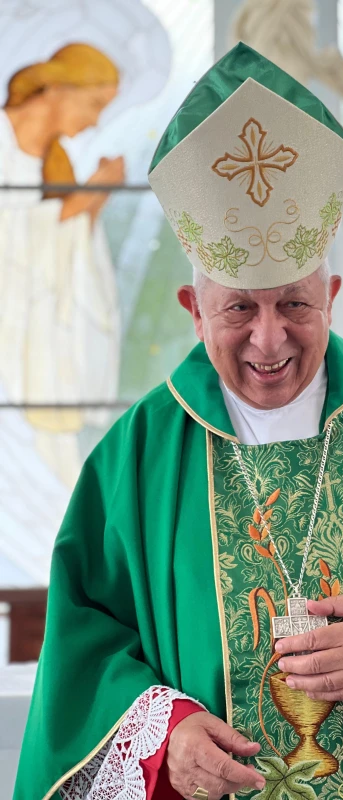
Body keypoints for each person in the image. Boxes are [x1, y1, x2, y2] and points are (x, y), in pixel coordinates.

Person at [14, 43, 343, 800]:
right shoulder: (140, 453)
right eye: (239, 308)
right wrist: (166, 739)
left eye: (295, 303)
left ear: (332, 295)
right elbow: (84, 645)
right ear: (195, 311)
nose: (270, 339)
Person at [0, 44, 122, 582]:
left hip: (37, 350)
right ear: (60, 88)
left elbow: (58, 258)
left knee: (55, 472)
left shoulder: (53, 161)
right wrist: (89, 197)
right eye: (94, 102)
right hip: (9, 354)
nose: (95, 119)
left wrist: (86, 202)